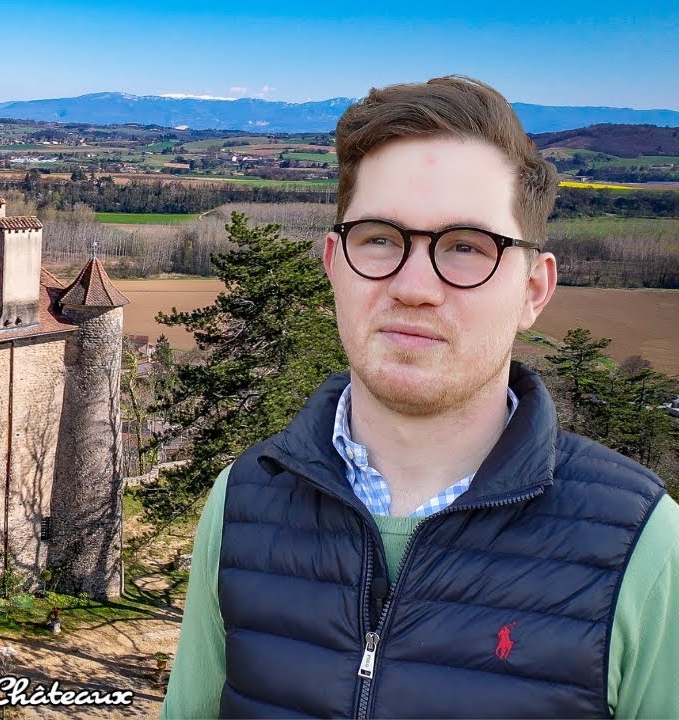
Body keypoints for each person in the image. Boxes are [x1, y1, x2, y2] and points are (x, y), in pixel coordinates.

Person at [161, 76, 679, 718]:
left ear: (534, 291)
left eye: (466, 247)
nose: (413, 286)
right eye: (379, 237)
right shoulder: (242, 501)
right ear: (334, 263)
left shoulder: (644, 548)